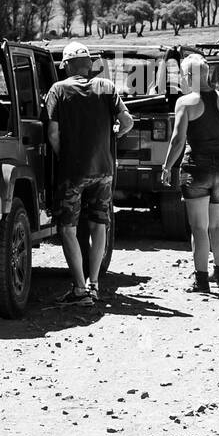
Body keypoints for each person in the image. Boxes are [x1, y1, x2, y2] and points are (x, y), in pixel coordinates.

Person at [45, 42, 133, 305]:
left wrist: (65, 156)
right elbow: (127, 122)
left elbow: (52, 133)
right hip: (104, 170)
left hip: (73, 171)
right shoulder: (107, 87)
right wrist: (111, 137)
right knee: (99, 224)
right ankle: (94, 284)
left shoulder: (58, 90)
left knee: (68, 228)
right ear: (89, 64)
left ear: (67, 65)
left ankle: (79, 289)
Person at [160, 54, 219, 294]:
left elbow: (177, 140)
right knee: (218, 224)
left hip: (196, 167)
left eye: (183, 77)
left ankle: (201, 280)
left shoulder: (186, 103)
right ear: (207, 75)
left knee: (198, 227)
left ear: (188, 76)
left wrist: (167, 167)